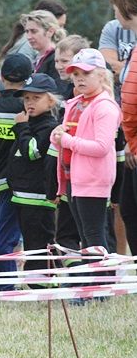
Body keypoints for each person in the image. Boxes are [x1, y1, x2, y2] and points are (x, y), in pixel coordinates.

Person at [51, 49, 121, 257]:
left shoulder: (105, 106)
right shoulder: (76, 103)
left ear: (101, 75)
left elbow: (101, 146)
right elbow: (66, 140)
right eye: (76, 75)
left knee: (94, 237)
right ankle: (94, 283)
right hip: (74, 177)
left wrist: (67, 141)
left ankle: (101, 285)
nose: (80, 79)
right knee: (85, 237)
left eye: (86, 74)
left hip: (93, 178)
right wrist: (57, 138)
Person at [0, 53, 33, 289]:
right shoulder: (26, 110)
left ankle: (2, 279)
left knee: (1, 234)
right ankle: (3, 285)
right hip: (21, 182)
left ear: (2, 79)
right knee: (10, 237)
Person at [8, 74, 61, 285]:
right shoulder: (31, 123)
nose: (29, 103)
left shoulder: (47, 126)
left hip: (38, 197)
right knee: (31, 242)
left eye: (36, 98)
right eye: (26, 98)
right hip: (23, 197)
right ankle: (36, 281)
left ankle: (45, 282)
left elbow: (32, 152)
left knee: (41, 241)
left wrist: (21, 128)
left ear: (51, 101)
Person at [110, 0, 137, 256]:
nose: (114, 12)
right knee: (128, 211)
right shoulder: (134, 47)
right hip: (132, 147)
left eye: (116, 6)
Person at [20, 10, 67, 82]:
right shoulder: (37, 59)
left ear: (50, 31)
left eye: (34, 31)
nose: (29, 37)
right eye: (27, 31)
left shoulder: (56, 59)